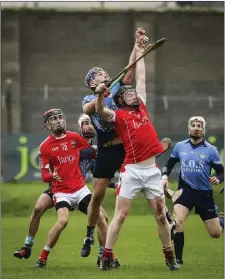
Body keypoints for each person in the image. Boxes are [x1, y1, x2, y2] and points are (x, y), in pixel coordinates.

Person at [94, 39, 179, 271]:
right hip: (131, 171)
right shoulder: (118, 115)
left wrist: (140, 50)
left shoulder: (141, 106)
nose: (133, 94)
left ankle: (169, 256)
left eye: (133, 93)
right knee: (120, 216)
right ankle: (106, 256)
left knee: (161, 216)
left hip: (151, 171)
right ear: (121, 100)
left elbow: (141, 78)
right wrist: (101, 94)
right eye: (128, 93)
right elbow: (100, 110)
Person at [80, 27, 146, 258]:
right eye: (96, 74)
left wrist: (136, 46)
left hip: (125, 146)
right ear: (91, 83)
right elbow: (89, 109)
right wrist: (99, 92)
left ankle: (165, 213)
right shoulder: (90, 96)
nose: (102, 74)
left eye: (102, 72)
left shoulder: (116, 86)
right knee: (97, 197)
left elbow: (129, 72)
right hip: (107, 150)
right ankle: (89, 233)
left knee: (147, 177)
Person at [161, 116, 224, 265]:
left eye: (199, 126)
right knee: (178, 222)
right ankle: (178, 259)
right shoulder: (180, 146)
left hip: (204, 194)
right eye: (193, 125)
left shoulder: (211, 150)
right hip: (184, 192)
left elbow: (222, 172)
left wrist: (218, 179)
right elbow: (169, 164)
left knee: (215, 234)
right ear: (188, 129)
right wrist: (164, 176)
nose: (196, 128)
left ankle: (222, 219)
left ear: (203, 130)